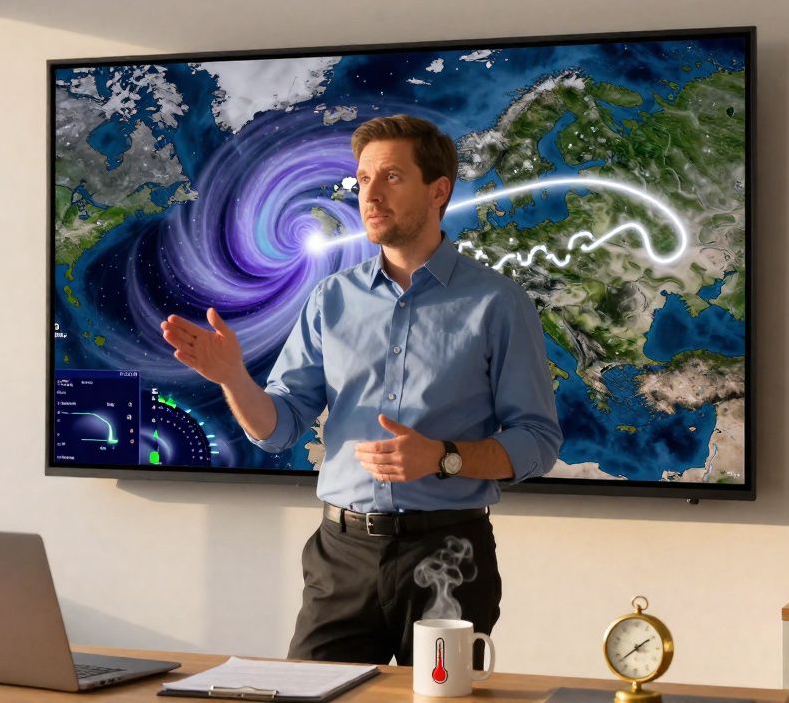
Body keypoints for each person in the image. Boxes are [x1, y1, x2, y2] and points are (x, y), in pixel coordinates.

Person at [159, 114, 563, 666]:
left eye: (391, 177)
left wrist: (441, 458)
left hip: (451, 552)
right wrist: (233, 377)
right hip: (340, 555)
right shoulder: (331, 299)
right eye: (363, 179)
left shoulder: (498, 303)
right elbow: (280, 429)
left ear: (438, 190)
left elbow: (537, 442)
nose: (368, 195)